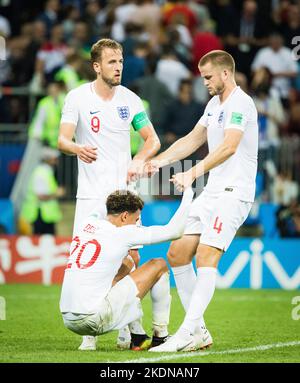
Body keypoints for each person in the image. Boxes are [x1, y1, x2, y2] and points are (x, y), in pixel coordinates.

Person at [146, 50, 258, 352]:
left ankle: (186, 333)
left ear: (225, 73)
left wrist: (192, 172)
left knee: (206, 256)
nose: (204, 82)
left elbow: (229, 147)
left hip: (234, 193)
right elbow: (193, 139)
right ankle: (200, 332)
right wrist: (159, 162)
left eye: (208, 77)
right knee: (178, 253)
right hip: (212, 192)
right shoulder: (213, 104)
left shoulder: (241, 103)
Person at [58, 38, 161, 351]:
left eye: (121, 61)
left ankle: (127, 329)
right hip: (90, 197)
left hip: (123, 197)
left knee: (130, 259)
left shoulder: (130, 100)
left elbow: (152, 140)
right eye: (112, 62)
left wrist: (140, 159)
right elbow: (62, 139)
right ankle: (90, 333)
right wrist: (77, 147)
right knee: (91, 262)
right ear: (96, 66)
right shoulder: (76, 98)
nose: (118, 67)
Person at [60, 186, 194, 348]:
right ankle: (161, 337)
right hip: (93, 319)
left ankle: (133, 335)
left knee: (127, 262)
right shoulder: (123, 234)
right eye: (136, 219)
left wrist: (125, 190)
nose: (136, 224)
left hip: (68, 319)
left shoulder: (88, 222)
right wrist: (188, 193)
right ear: (124, 216)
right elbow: (175, 231)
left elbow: (105, 203)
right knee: (158, 264)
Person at [20, 146, 65, 235]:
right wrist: (57, 193)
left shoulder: (46, 172)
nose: (57, 161)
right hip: (40, 216)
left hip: (44, 215)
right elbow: (41, 196)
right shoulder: (41, 173)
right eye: (55, 158)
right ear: (49, 159)